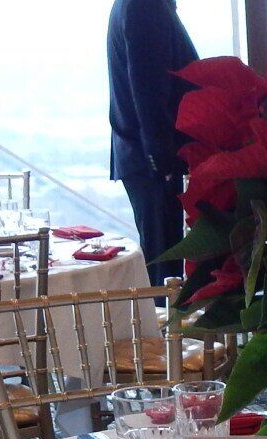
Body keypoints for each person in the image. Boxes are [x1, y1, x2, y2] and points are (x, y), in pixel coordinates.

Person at [107, 0, 197, 282]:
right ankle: (164, 326)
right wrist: (163, 161)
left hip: (146, 157)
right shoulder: (144, 5)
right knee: (164, 271)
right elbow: (148, 89)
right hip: (155, 162)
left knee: (163, 264)